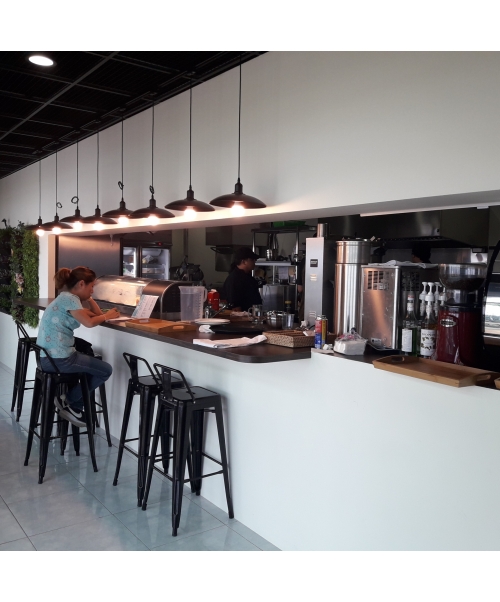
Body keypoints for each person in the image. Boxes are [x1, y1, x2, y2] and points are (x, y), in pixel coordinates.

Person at [36, 266, 120, 427]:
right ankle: (69, 401)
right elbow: (89, 323)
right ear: (81, 283)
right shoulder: (70, 300)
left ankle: (73, 406)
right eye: (91, 286)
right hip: (60, 359)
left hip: (48, 358)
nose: (92, 290)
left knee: (92, 367)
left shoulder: (65, 298)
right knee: (105, 370)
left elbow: (96, 315)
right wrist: (107, 315)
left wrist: (90, 299)